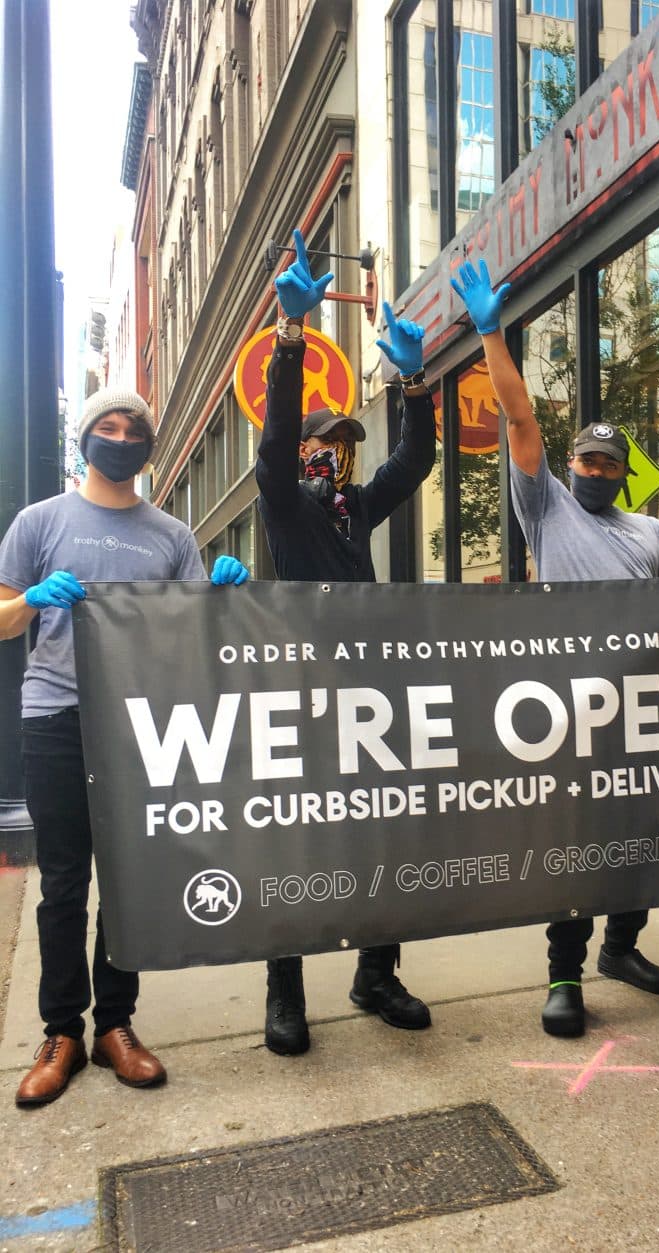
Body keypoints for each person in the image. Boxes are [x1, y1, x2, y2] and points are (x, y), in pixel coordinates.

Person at [449, 259, 659, 1038]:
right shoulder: (546, 507)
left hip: (635, 710)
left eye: (607, 464)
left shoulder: (648, 531)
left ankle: (621, 947)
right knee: (574, 841)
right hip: (566, 711)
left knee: (645, 828)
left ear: (624, 474)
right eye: (585, 460)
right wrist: (491, 334)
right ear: (571, 466)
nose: (594, 470)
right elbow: (520, 419)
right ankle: (564, 974)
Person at [0, 389, 250, 1108]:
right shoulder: (38, 521)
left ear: (147, 445)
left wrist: (223, 594)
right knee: (63, 882)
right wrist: (31, 601)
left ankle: (115, 1024)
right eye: (105, 427)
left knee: (128, 879)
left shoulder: (171, 535)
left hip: (140, 722)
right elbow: (2, 619)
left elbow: (196, 633)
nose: (118, 438)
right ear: (85, 439)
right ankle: (61, 1033)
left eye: (131, 429)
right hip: (56, 718)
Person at [254, 228, 437, 1055]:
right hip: (299, 695)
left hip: (366, 696)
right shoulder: (286, 504)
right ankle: (285, 990)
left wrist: (413, 382)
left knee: (379, 830)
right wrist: (290, 338)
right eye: (324, 443)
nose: (336, 453)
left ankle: (376, 973)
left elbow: (415, 459)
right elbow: (270, 446)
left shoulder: (356, 508)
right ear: (303, 452)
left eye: (344, 445)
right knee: (296, 841)